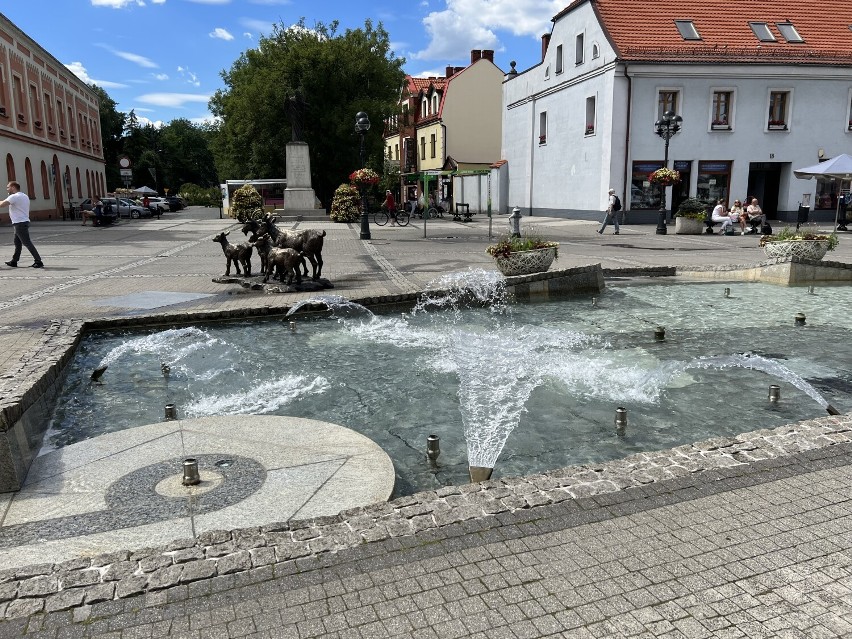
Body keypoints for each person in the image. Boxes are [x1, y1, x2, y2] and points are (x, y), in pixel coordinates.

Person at [0, 181, 44, 268]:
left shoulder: (14, 196)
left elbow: (2, 205)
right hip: (23, 222)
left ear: (13, 187)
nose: (7, 189)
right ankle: (14, 261)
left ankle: (38, 261)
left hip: (19, 223)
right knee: (17, 243)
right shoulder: (24, 196)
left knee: (27, 242)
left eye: (8, 187)